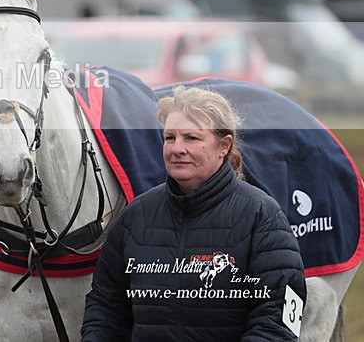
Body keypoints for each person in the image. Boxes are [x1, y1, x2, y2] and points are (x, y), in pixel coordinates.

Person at [82, 85, 306, 341]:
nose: (177, 149)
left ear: (224, 145)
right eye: (170, 138)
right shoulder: (134, 218)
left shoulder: (262, 217)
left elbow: (277, 322)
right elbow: (105, 310)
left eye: (191, 138)